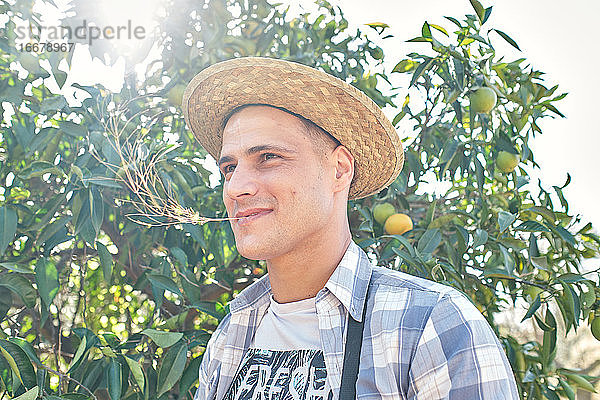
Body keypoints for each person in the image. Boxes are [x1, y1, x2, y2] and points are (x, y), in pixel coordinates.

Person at [182, 57, 519, 400]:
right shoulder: (231, 335)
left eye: (268, 157)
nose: (236, 187)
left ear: (339, 169)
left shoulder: (428, 325)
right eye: (229, 167)